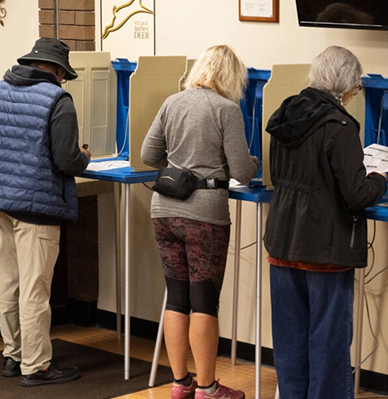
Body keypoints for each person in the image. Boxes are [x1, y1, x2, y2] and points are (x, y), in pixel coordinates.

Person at [0, 38, 91, 387]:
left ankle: (13, 355)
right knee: (34, 289)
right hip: (36, 208)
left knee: (7, 284)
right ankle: (37, 365)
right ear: (57, 71)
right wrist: (84, 155)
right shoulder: (58, 100)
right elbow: (66, 159)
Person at [263, 46, 388, 399]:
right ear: (347, 85)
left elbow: (277, 175)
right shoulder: (339, 126)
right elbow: (357, 193)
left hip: (282, 242)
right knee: (328, 345)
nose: (354, 94)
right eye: (357, 87)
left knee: (289, 343)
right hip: (325, 249)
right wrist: (379, 178)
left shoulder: (285, 113)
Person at [141, 44, 258, 399]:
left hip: (164, 210)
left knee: (176, 298)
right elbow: (241, 171)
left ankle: (180, 383)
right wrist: (251, 161)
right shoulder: (227, 110)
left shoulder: (172, 102)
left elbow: (148, 155)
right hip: (204, 215)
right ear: (230, 77)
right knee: (204, 301)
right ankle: (208, 388)